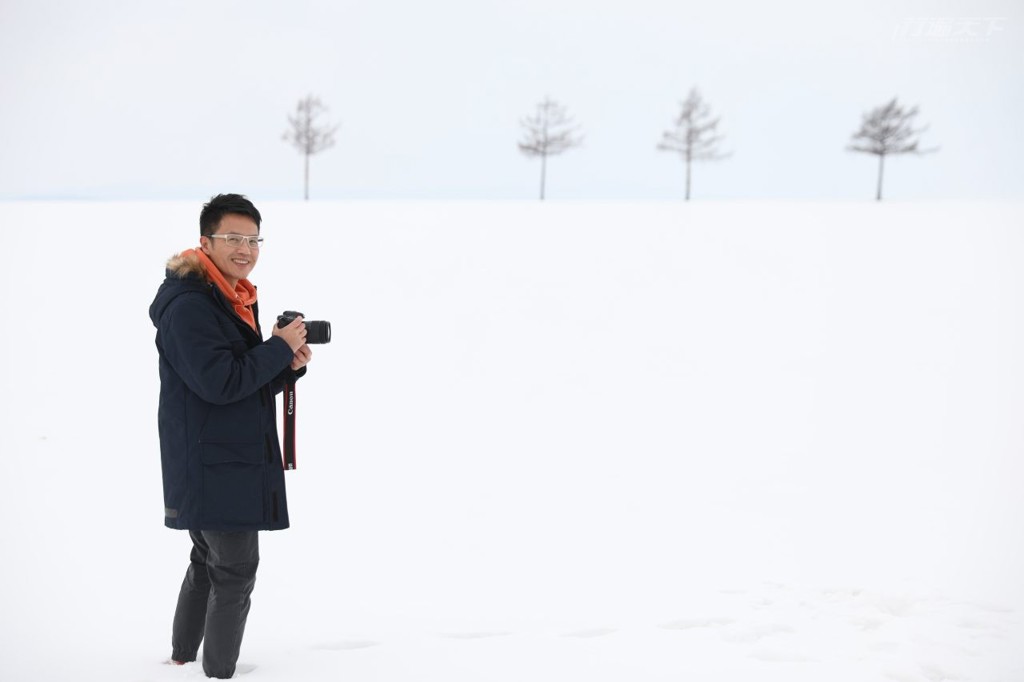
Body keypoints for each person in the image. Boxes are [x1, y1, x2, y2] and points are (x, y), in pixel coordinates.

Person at [149, 193, 311, 678]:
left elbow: (235, 376)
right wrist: (277, 350)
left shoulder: (226, 295)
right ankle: (220, 673)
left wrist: (287, 364)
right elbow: (220, 382)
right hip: (214, 462)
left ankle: (182, 657)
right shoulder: (191, 306)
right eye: (232, 238)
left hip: (221, 455)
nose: (245, 249)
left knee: (207, 559)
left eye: (253, 239)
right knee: (234, 571)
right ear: (205, 241)